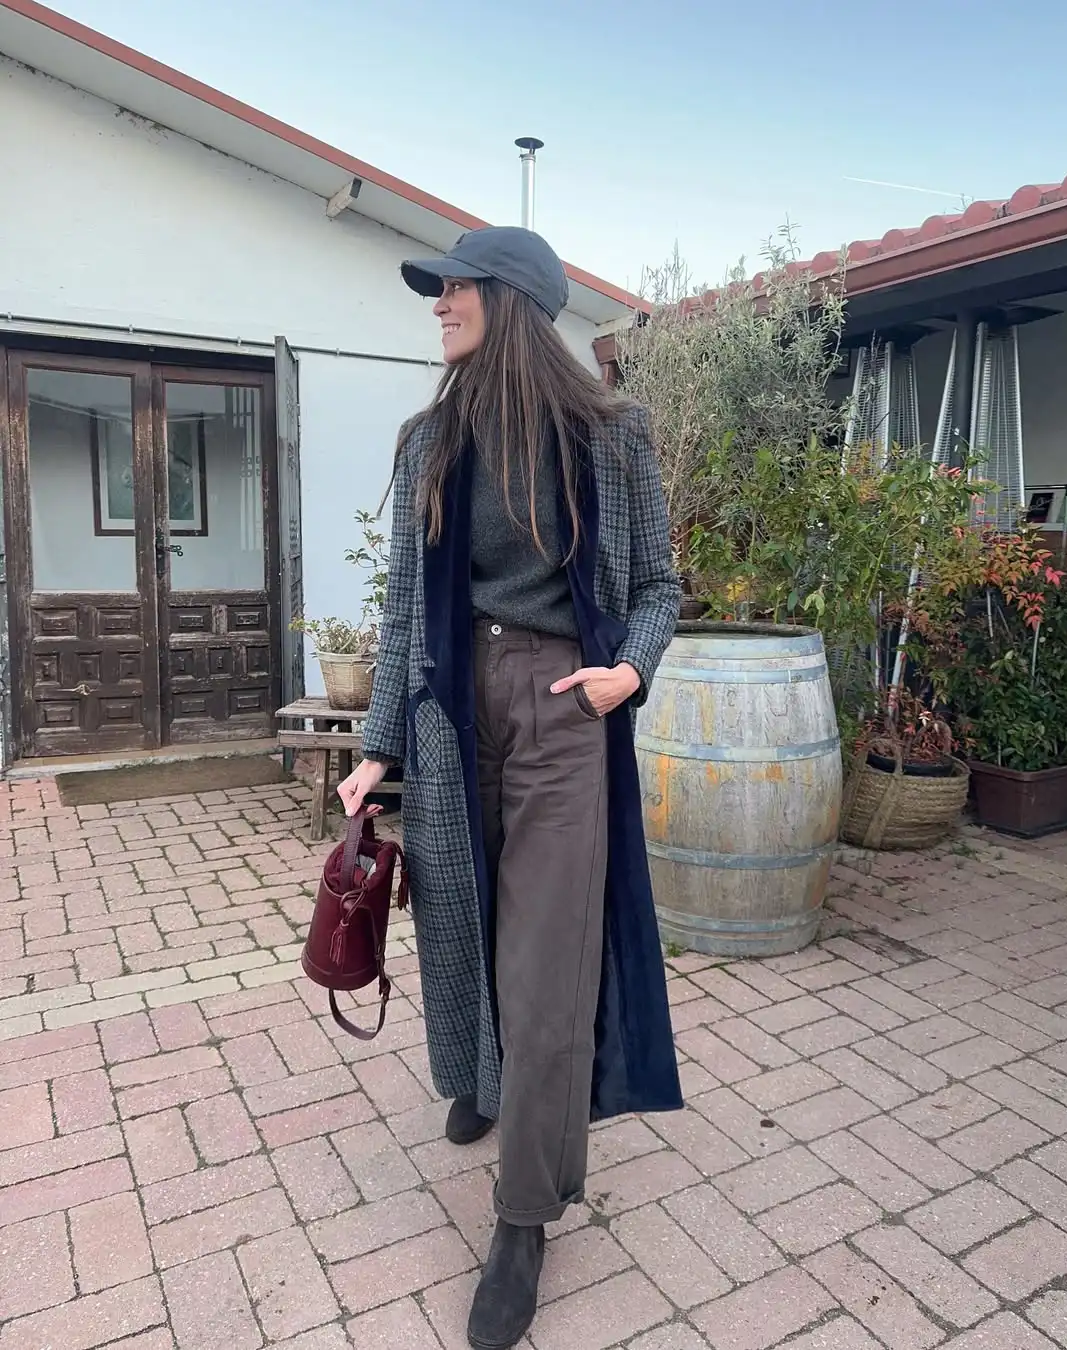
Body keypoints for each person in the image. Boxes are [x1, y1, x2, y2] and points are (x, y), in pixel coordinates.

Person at [337, 225, 682, 1350]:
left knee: (545, 969)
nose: (438, 303)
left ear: (515, 301)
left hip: (563, 708)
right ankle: (485, 1082)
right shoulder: (432, 440)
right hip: (452, 712)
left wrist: (629, 672)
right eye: (436, 289)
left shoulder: (612, 435)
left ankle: (524, 1216)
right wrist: (377, 746)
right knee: (465, 927)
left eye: (455, 288)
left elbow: (660, 586)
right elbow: (404, 605)